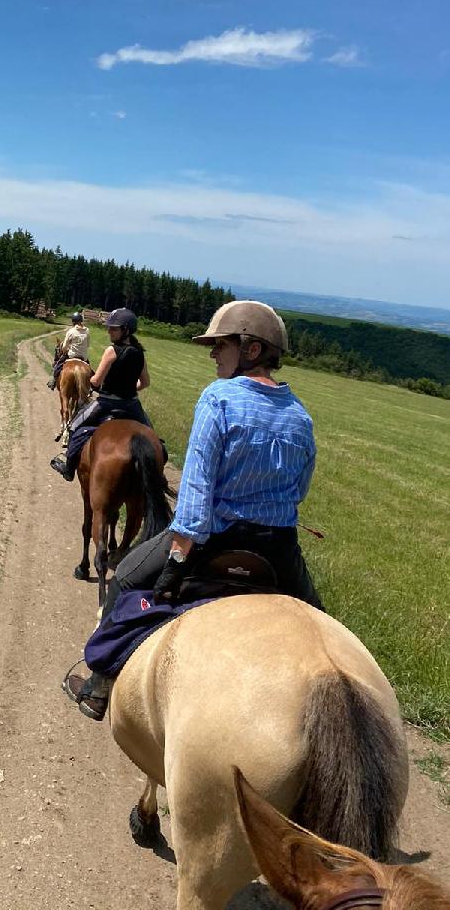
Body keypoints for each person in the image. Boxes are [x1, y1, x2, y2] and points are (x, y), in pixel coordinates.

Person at [64, 299, 323, 720]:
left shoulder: (218, 398)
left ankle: (99, 685)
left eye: (220, 345)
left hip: (212, 540)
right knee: (322, 629)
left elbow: (197, 494)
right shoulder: (300, 414)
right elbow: (299, 489)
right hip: (278, 551)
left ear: (251, 350)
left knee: (125, 580)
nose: (212, 352)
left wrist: (178, 560)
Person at [49, 307, 150, 481]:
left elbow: (95, 382)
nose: (109, 331)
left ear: (125, 330)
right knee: (152, 436)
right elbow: (145, 382)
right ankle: (158, 476)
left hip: (106, 403)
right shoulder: (140, 353)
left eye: (113, 328)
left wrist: (97, 383)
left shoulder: (112, 351)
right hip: (132, 405)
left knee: (74, 428)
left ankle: (68, 466)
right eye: (109, 327)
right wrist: (130, 389)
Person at [47, 311, 91, 390]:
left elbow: (64, 347)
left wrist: (66, 350)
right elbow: (87, 345)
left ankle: (52, 381)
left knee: (57, 367)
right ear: (81, 321)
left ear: (73, 321)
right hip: (83, 357)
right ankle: (90, 387)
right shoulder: (87, 330)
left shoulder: (71, 331)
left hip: (71, 356)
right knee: (90, 371)